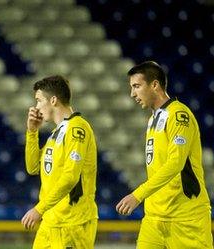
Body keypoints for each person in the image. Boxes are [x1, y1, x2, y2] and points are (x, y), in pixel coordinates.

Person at [116, 61, 212, 248]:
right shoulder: (153, 119)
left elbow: (175, 163)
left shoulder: (179, 115)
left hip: (185, 219)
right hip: (154, 218)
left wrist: (138, 195)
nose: (132, 94)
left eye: (136, 86)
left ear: (154, 85)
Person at [22, 75, 98, 248]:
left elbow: (71, 177)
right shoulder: (57, 133)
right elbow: (33, 167)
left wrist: (38, 209)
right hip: (51, 222)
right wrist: (32, 132)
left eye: (39, 101)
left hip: (72, 224)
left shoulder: (77, 129)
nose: (36, 107)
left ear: (53, 100)